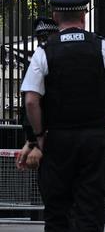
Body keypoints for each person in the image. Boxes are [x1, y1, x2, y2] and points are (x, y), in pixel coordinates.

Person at [20, 0, 105, 232]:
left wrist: (38, 137)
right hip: (94, 139)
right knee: (90, 211)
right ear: (84, 16)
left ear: (55, 16)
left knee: (57, 213)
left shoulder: (44, 52)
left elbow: (31, 100)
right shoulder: (102, 47)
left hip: (57, 140)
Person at [16, 17, 60, 170]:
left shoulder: (39, 60)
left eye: (47, 37)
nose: (43, 41)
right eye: (41, 37)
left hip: (51, 136)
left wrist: (34, 140)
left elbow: (31, 102)